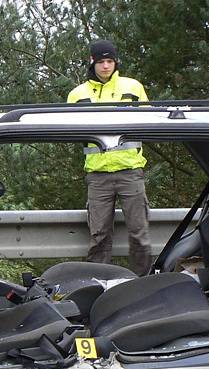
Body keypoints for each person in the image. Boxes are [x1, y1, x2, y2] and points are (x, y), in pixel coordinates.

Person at [67, 39, 152, 276]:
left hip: (130, 171)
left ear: (116, 62)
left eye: (110, 61)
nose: (106, 66)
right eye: (101, 61)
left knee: (139, 235)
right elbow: (70, 131)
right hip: (98, 175)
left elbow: (149, 123)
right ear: (92, 62)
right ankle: (99, 284)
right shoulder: (77, 94)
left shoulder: (133, 88)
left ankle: (142, 282)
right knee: (99, 237)